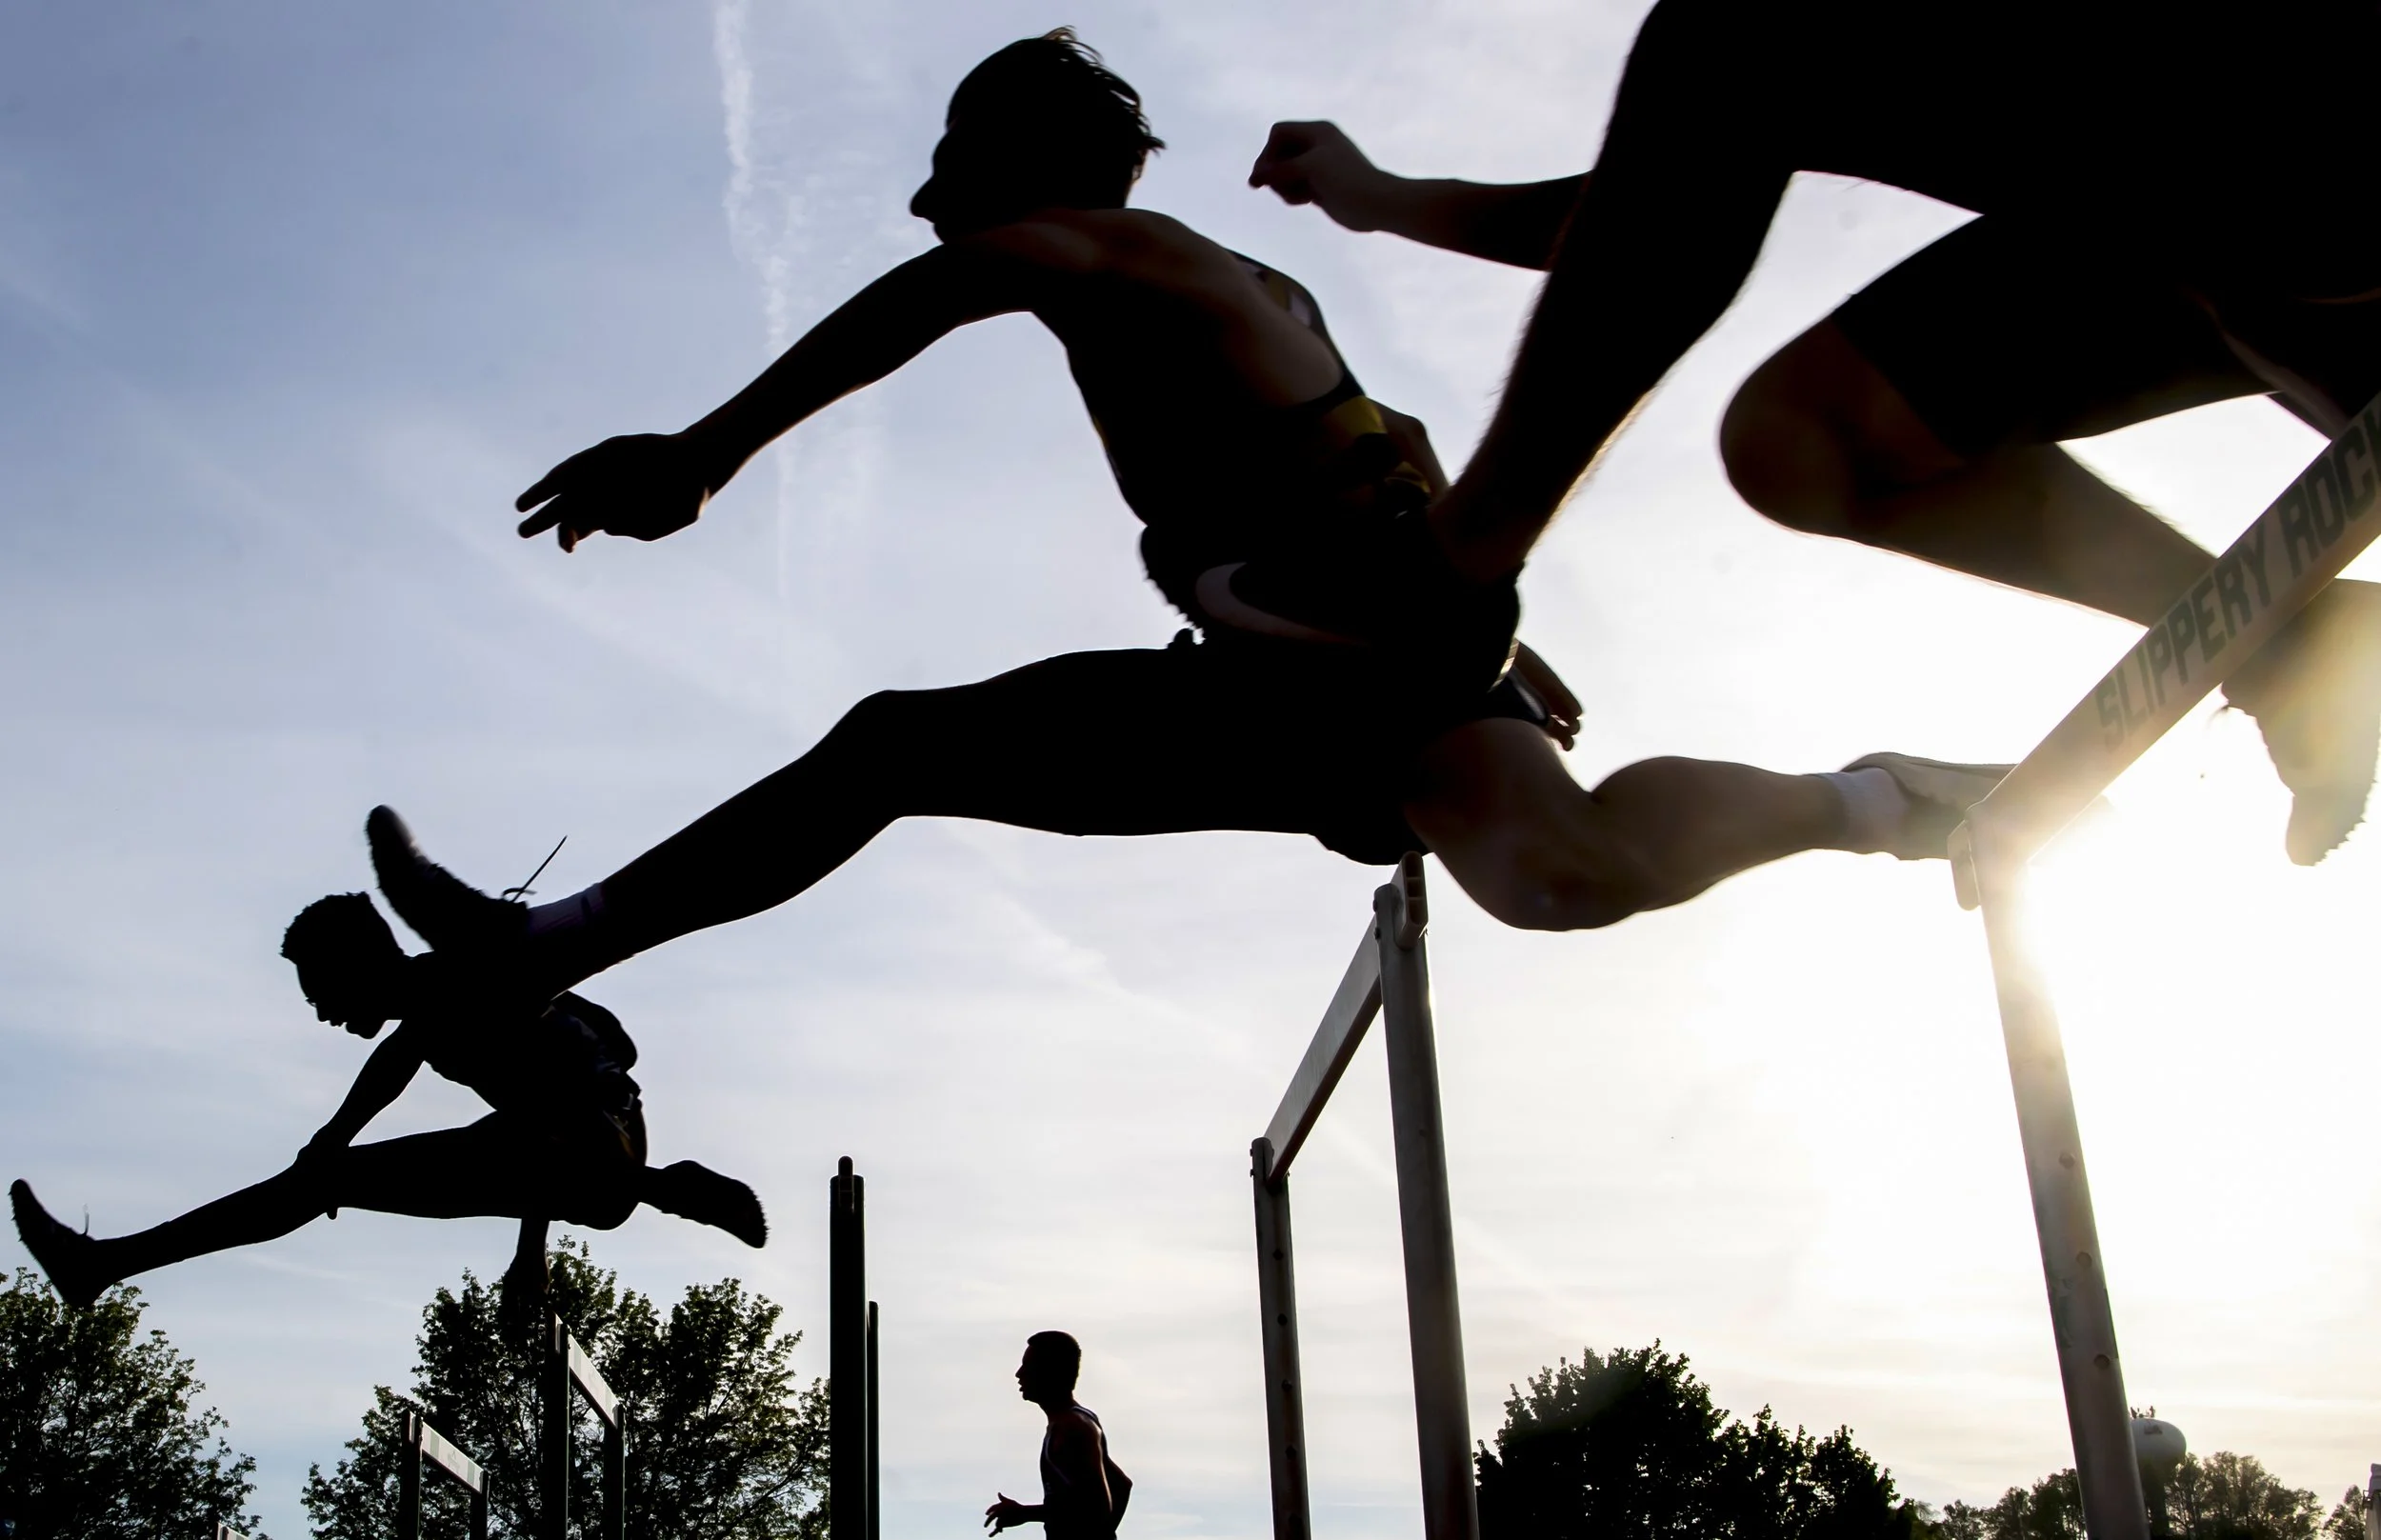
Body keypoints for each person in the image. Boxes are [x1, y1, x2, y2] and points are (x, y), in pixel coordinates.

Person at [347, 30, 2009, 1017]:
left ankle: (1877, 795)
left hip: (1357, 645)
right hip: (1330, 649)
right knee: (1564, 879)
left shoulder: (1107, 253)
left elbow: (956, 277)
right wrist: (1495, 629)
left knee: (891, 748)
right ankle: (1879, 801)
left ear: (1019, 174)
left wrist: (710, 450)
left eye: (958, 177)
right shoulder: (1234, 282)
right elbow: (1397, 440)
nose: (947, 210)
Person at [1245, 0, 2381, 865]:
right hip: (2204, 256)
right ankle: (2301, 646)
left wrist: (1458, 561)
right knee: (1802, 443)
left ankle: (1453, 570)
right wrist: (1380, 196)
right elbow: (1673, 175)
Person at [10, 892, 766, 1309]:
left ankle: (101, 1264)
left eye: (323, 991)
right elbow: (390, 1070)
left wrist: (639, 1186)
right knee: (330, 1175)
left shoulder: (460, 988)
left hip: (604, 1145)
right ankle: (101, 1264)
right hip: (562, 1148)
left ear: (362, 966)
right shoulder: (427, 1006)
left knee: (333, 1176)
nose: (320, 1013)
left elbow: (583, 1071)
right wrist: (325, 1144)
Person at [985, 1330, 1131, 1540]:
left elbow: (1096, 1507)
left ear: (1049, 1372)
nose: (1019, 1374)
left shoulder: (1073, 1428)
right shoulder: (1075, 1421)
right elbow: (1122, 1486)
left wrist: (1024, 1513)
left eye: (1028, 1366)